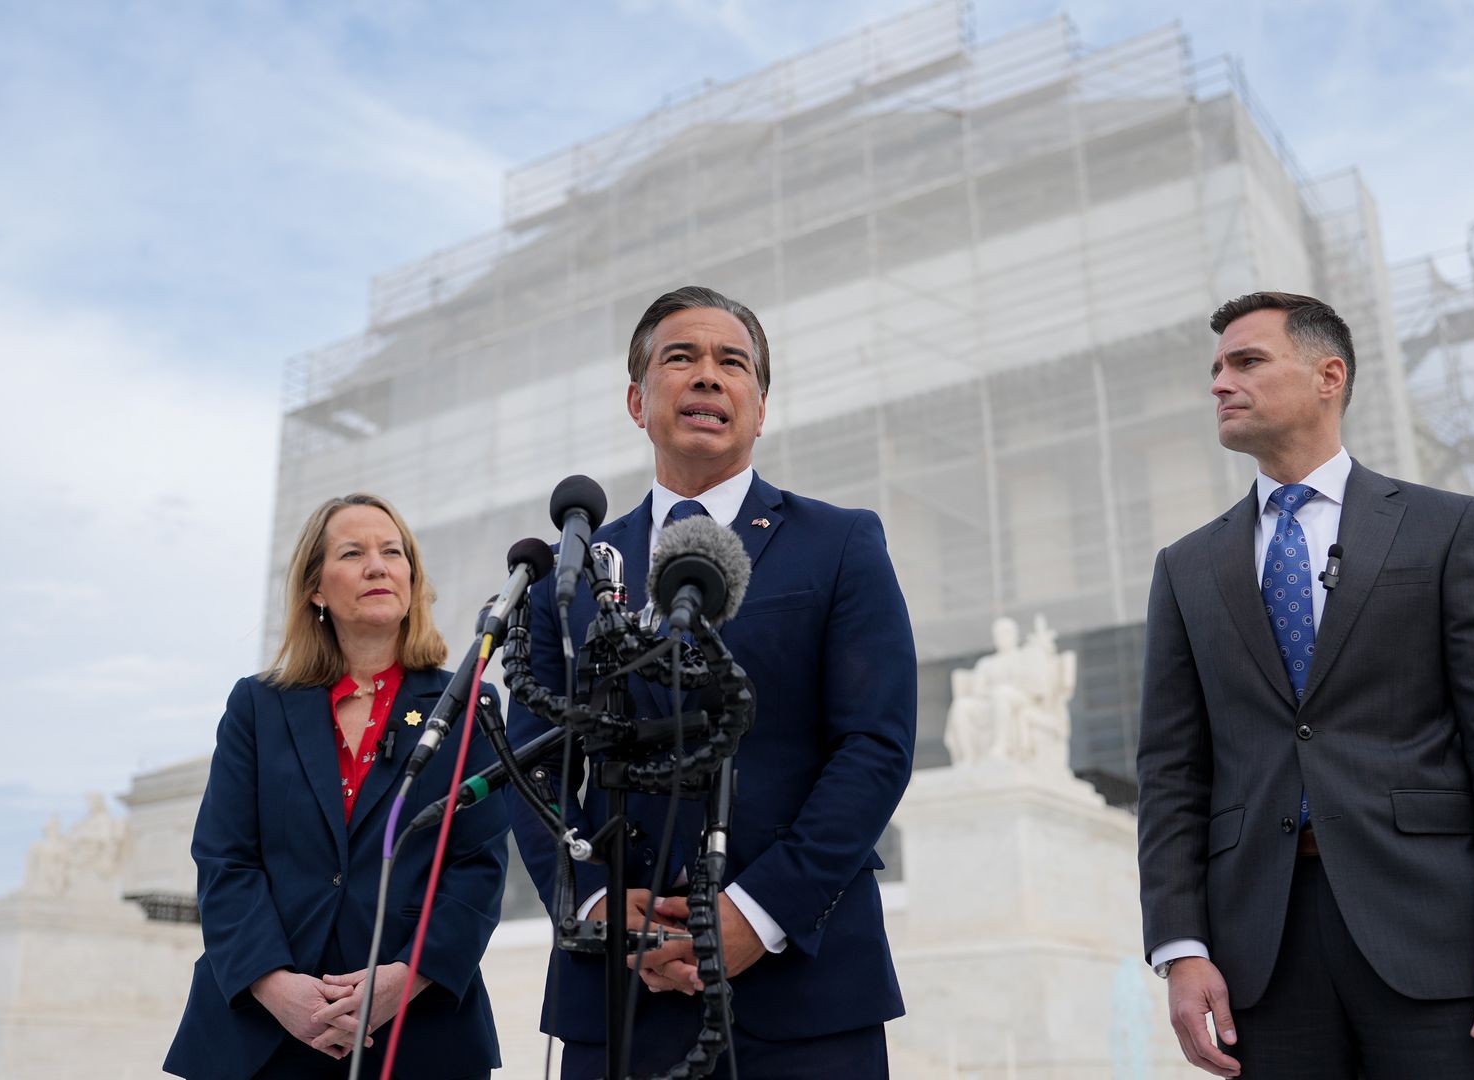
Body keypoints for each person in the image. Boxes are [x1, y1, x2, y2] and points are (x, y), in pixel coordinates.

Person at [1134, 292, 1474, 1078]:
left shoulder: (1447, 527)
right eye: (1215, 369)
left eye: (1246, 362)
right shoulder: (1186, 567)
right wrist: (1180, 949)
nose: (1219, 384)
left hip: (1439, 938)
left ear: (1327, 375)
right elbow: (1171, 770)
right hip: (1257, 960)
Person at [504, 285, 917, 1078]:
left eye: (734, 363)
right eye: (681, 358)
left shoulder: (840, 543)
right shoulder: (575, 569)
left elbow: (874, 746)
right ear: (637, 399)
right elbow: (533, 758)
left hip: (803, 991)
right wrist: (593, 899)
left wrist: (752, 917)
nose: (707, 376)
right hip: (616, 991)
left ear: (760, 407)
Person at [165, 493, 512, 1080]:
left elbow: (478, 867)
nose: (378, 565)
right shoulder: (257, 706)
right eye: (353, 553)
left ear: (411, 578)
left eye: (392, 552)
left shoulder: (469, 703)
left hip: (417, 1034)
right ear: (316, 590)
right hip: (259, 1036)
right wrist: (277, 988)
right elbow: (225, 860)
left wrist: (402, 981)